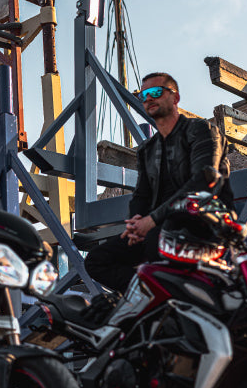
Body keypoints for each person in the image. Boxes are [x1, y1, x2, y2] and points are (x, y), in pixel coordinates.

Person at [84, 72, 234, 293]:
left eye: (155, 92)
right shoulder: (147, 149)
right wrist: (135, 224)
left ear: (175, 98)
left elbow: (205, 178)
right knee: (97, 260)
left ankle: (168, 298)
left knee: (158, 238)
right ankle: (151, 294)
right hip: (158, 229)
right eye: (143, 95)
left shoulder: (201, 130)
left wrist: (151, 221)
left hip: (203, 223)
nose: (148, 99)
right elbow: (141, 195)